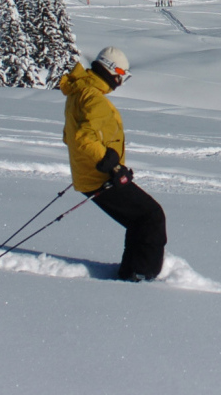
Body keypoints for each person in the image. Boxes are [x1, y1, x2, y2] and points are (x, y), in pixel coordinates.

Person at [60, 46, 167, 282]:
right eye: (121, 74)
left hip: (93, 175)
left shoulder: (81, 91)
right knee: (151, 216)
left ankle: (132, 272)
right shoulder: (92, 97)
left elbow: (71, 135)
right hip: (101, 177)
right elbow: (82, 138)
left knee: (140, 219)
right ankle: (141, 275)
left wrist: (108, 163)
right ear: (111, 70)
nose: (121, 80)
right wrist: (111, 165)